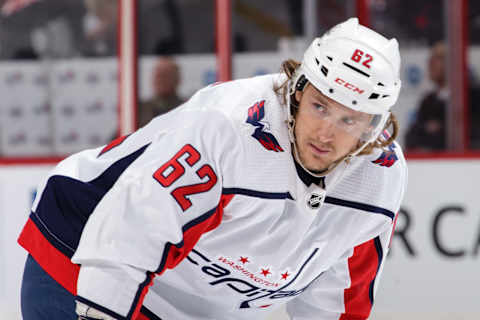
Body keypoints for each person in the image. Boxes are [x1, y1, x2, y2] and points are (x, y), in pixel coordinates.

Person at [18, 18, 407, 320]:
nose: (326, 133)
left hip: (190, 301)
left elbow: (337, 297)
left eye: (349, 120)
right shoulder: (228, 127)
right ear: (298, 90)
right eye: (319, 107)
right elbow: (129, 233)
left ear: (373, 128)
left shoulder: (378, 176)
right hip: (81, 255)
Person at [405, 42, 447, 151]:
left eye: (438, 58)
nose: (431, 63)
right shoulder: (428, 100)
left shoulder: (471, 98)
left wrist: (440, 129)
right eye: (431, 59)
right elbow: (411, 136)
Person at [137, 56, 185, 128]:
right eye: (157, 76)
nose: (160, 80)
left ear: (177, 79)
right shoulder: (139, 110)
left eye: (165, 76)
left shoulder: (187, 108)